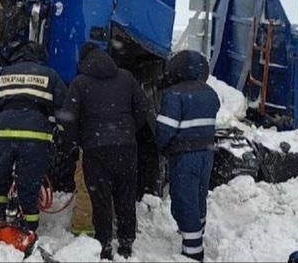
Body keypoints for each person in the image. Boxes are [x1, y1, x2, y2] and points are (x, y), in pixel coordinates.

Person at [58, 43, 151, 260]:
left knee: (99, 198)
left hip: (95, 150)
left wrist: (73, 144)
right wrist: (128, 131)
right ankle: (126, 243)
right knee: (126, 196)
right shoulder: (127, 78)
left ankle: (105, 244)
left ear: (83, 62)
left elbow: (68, 119)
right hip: (126, 149)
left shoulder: (80, 83)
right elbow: (143, 108)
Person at [0, 41, 67, 231]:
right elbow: (65, 111)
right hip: (36, 135)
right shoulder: (50, 75)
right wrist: (64, 139)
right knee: (29, 184)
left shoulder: (3, 74)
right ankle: (27, 227)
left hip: (4, 132)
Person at [156, 50, 220, 262]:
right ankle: (197, 234)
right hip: (207, 154)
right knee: (199, 197)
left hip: (185, 157)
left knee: (185, 202)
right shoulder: (210, 93)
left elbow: (165, 129)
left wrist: (161, 147)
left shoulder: (175, 95)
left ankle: (192, 253)